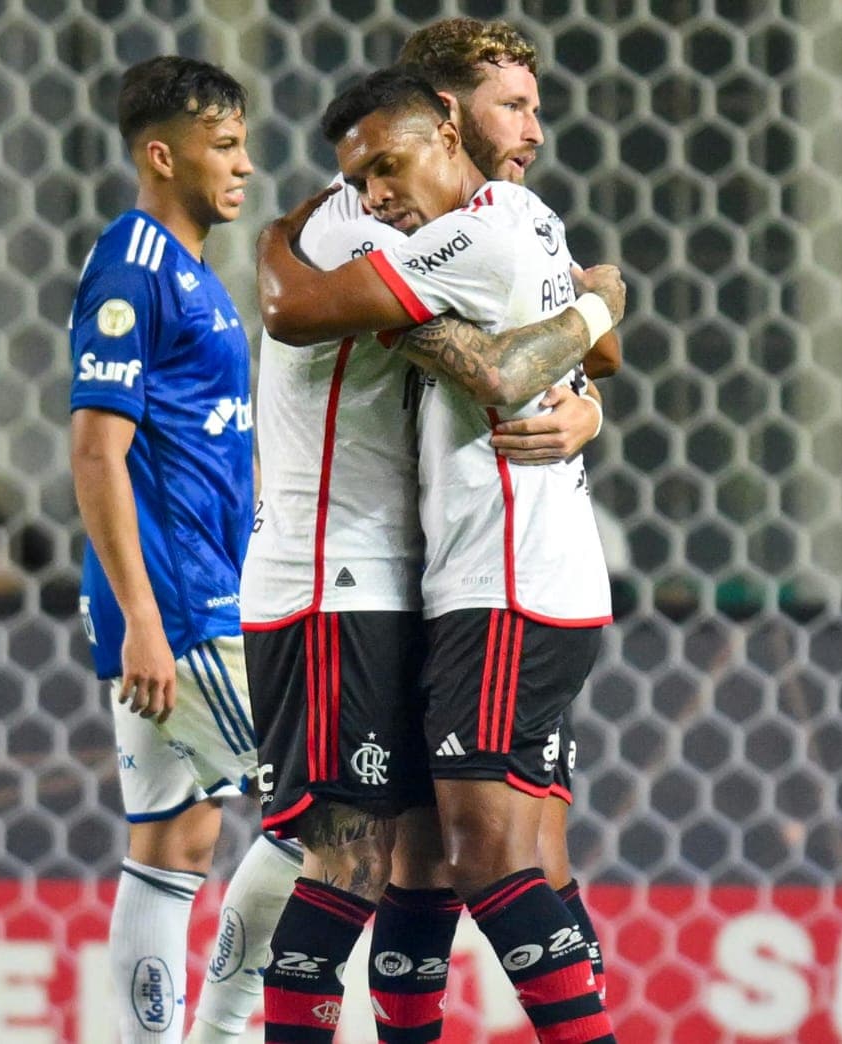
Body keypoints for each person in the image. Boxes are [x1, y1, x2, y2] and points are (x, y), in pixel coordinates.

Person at [256, 70, 618, 1044]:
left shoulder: (481, 229)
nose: (531, 131)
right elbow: (293, 305)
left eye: (534, 105)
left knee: (454, 861)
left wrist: (587, 353)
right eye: (515, 107)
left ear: (438, 126)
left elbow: (504, 369)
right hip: (382, 587)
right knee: (423, 859)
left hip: (490, 587)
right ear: (455, 113)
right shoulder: (455, 224)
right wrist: (600, 311)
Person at [67, 55, 299, 1044]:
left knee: (174, 840)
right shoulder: (134, 272)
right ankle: (225, 1028)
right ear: (162, 156)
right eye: (223, 146)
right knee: (331, 813)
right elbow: (95, 449)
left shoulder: (190, 273)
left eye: (243, 142)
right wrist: (146, 627)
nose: (244, 165)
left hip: (196, 598)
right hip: (185, 606)